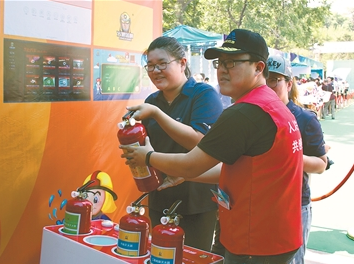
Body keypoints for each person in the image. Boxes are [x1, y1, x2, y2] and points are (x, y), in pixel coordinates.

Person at [121, 29, 303, 264]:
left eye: (233, 63)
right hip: (274, 234)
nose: (222, 70)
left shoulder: (245, 112)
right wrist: (185, 176)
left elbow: (191, 164)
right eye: (220, 63)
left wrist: (148, 157)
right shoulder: (269, 104)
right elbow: (245, 169)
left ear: (259, 68)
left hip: (254, 240)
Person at [128, 36, 223, 251]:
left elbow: (200, 141)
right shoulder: (152, 101)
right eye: (150, 66)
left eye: (162, 63)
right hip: (160, 195)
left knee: (192, 256)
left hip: (196, 200)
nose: (155, 71)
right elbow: (147, 147)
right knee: (161, 255)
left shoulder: (203, 95)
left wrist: (157, 114)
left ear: (182, 63)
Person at [267, 54, 328, 264]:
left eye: (276, 79)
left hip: (294, 205)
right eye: (265, 78)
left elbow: (321, 164)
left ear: (289, 83)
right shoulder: (252, 115)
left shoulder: (305, 118)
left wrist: (288, 156)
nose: (269, 84)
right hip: (259, 203)